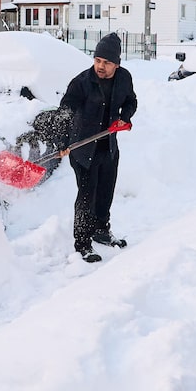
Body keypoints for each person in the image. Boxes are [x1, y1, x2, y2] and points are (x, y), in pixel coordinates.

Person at [59, 32, 137, 263]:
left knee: (105, 192)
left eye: (107, 62)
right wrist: (63, 142)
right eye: (97, 60)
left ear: (117, 64)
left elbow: (131, 100)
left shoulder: (124, 79)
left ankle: (101, 231)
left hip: (108, 146)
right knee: (86, 196)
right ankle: (82, 242)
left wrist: (125, 115)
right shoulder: (82, 82)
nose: (100, 66)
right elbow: (65, 112)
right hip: (83, 149)